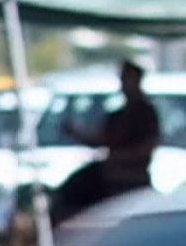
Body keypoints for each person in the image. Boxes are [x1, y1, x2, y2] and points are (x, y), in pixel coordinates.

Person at [50, 60, 161, 227]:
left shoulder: (146, 114)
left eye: (127, 79)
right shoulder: (117, 115)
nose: (123, 84)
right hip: (109, 174)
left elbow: (147, 147)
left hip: (132, 177)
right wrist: (76, 132)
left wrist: (121, 157)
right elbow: (101, 140)